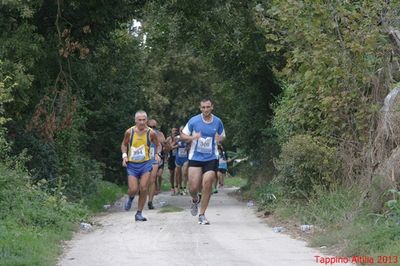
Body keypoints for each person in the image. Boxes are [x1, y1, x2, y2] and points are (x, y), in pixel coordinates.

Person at [180, 97, 225, 225]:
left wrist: (219, 138)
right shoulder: (194, 121)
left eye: (208, 107)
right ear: (200, 108)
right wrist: (192, 137)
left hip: (211, 157)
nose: (206, 109)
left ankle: (202, 214)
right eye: (203, 107)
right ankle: (195, 199)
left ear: (212, 107)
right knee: (193, 187)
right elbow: (182, 135)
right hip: (195, 157)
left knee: (207, 183)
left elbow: (223, 136)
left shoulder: (217, 121)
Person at [121, 110, 159, 221]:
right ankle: (131, 197)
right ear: (135, 120)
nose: (142, 122)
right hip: (132, 164)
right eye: (139, 120)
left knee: (143, 188)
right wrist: (124, 156)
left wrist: (157, 153)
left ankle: (139, 213)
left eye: (144, 120)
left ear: (146, 120)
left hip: (145, 164)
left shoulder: (151, 133)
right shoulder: (129, 132)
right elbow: (124, 144)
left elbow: (158, 144)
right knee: (133, 189)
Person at [147, 119, 165, 209]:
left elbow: (162, 142)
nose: (152, 128)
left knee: (152, 180)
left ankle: (150, 201)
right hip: (143, 159)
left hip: (154, 158)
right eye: (150, 127)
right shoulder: (141, 132)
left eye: (154, 127)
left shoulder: (158, 134)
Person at [175, 126, 190, 195]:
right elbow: (171, 146)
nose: (182, 132)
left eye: (183, 130)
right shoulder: (177, 138)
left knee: (184, 173)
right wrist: (176, 146)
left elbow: (191, 146)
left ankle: (185, 188)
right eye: (181, 130)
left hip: (185, 158)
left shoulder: (188, 138)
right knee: (178, 174)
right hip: (178, 158)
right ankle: (179, 187)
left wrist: (188, 147)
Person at [165, 127, 179, 195]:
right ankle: (172, 187)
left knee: (177, 172)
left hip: (178, 156)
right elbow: (166, 148)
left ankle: (177, 186)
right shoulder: (168, 139)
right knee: (171, 173)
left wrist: (173, 146)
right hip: (171, 157)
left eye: (176, 130)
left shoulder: (179, 138)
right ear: (171, 131)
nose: (174, 131)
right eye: (173, 130)